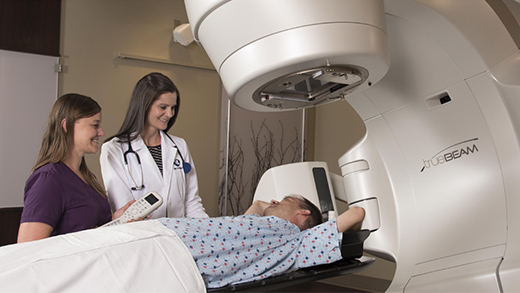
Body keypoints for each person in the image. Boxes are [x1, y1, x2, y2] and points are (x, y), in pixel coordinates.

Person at [158, 195, 365, 288]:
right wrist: (280, 207)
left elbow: (357, 213)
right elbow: (258, 204)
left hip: (173, 257)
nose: (274, 201)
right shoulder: (255, 220)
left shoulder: (298, 241)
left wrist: (315, 225)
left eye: (285, 199)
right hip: (163, 230)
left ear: (303, 212)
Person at [17, 94, 137, 243]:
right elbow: (28, 247)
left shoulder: (85, 177)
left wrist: (115, 221)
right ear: (67, 125)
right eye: (95, 125)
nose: (101, 132)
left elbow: (83, 228)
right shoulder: (48, 179)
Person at [100, 72, 207, 219]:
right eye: (163, 107)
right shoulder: (114, 149)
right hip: (143, 237)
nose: (169, 114)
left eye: (173, 108)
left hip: (179, 236)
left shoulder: (179, 146)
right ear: (144, 104)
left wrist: (205, 232)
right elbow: (125, 210)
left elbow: (191, 202)